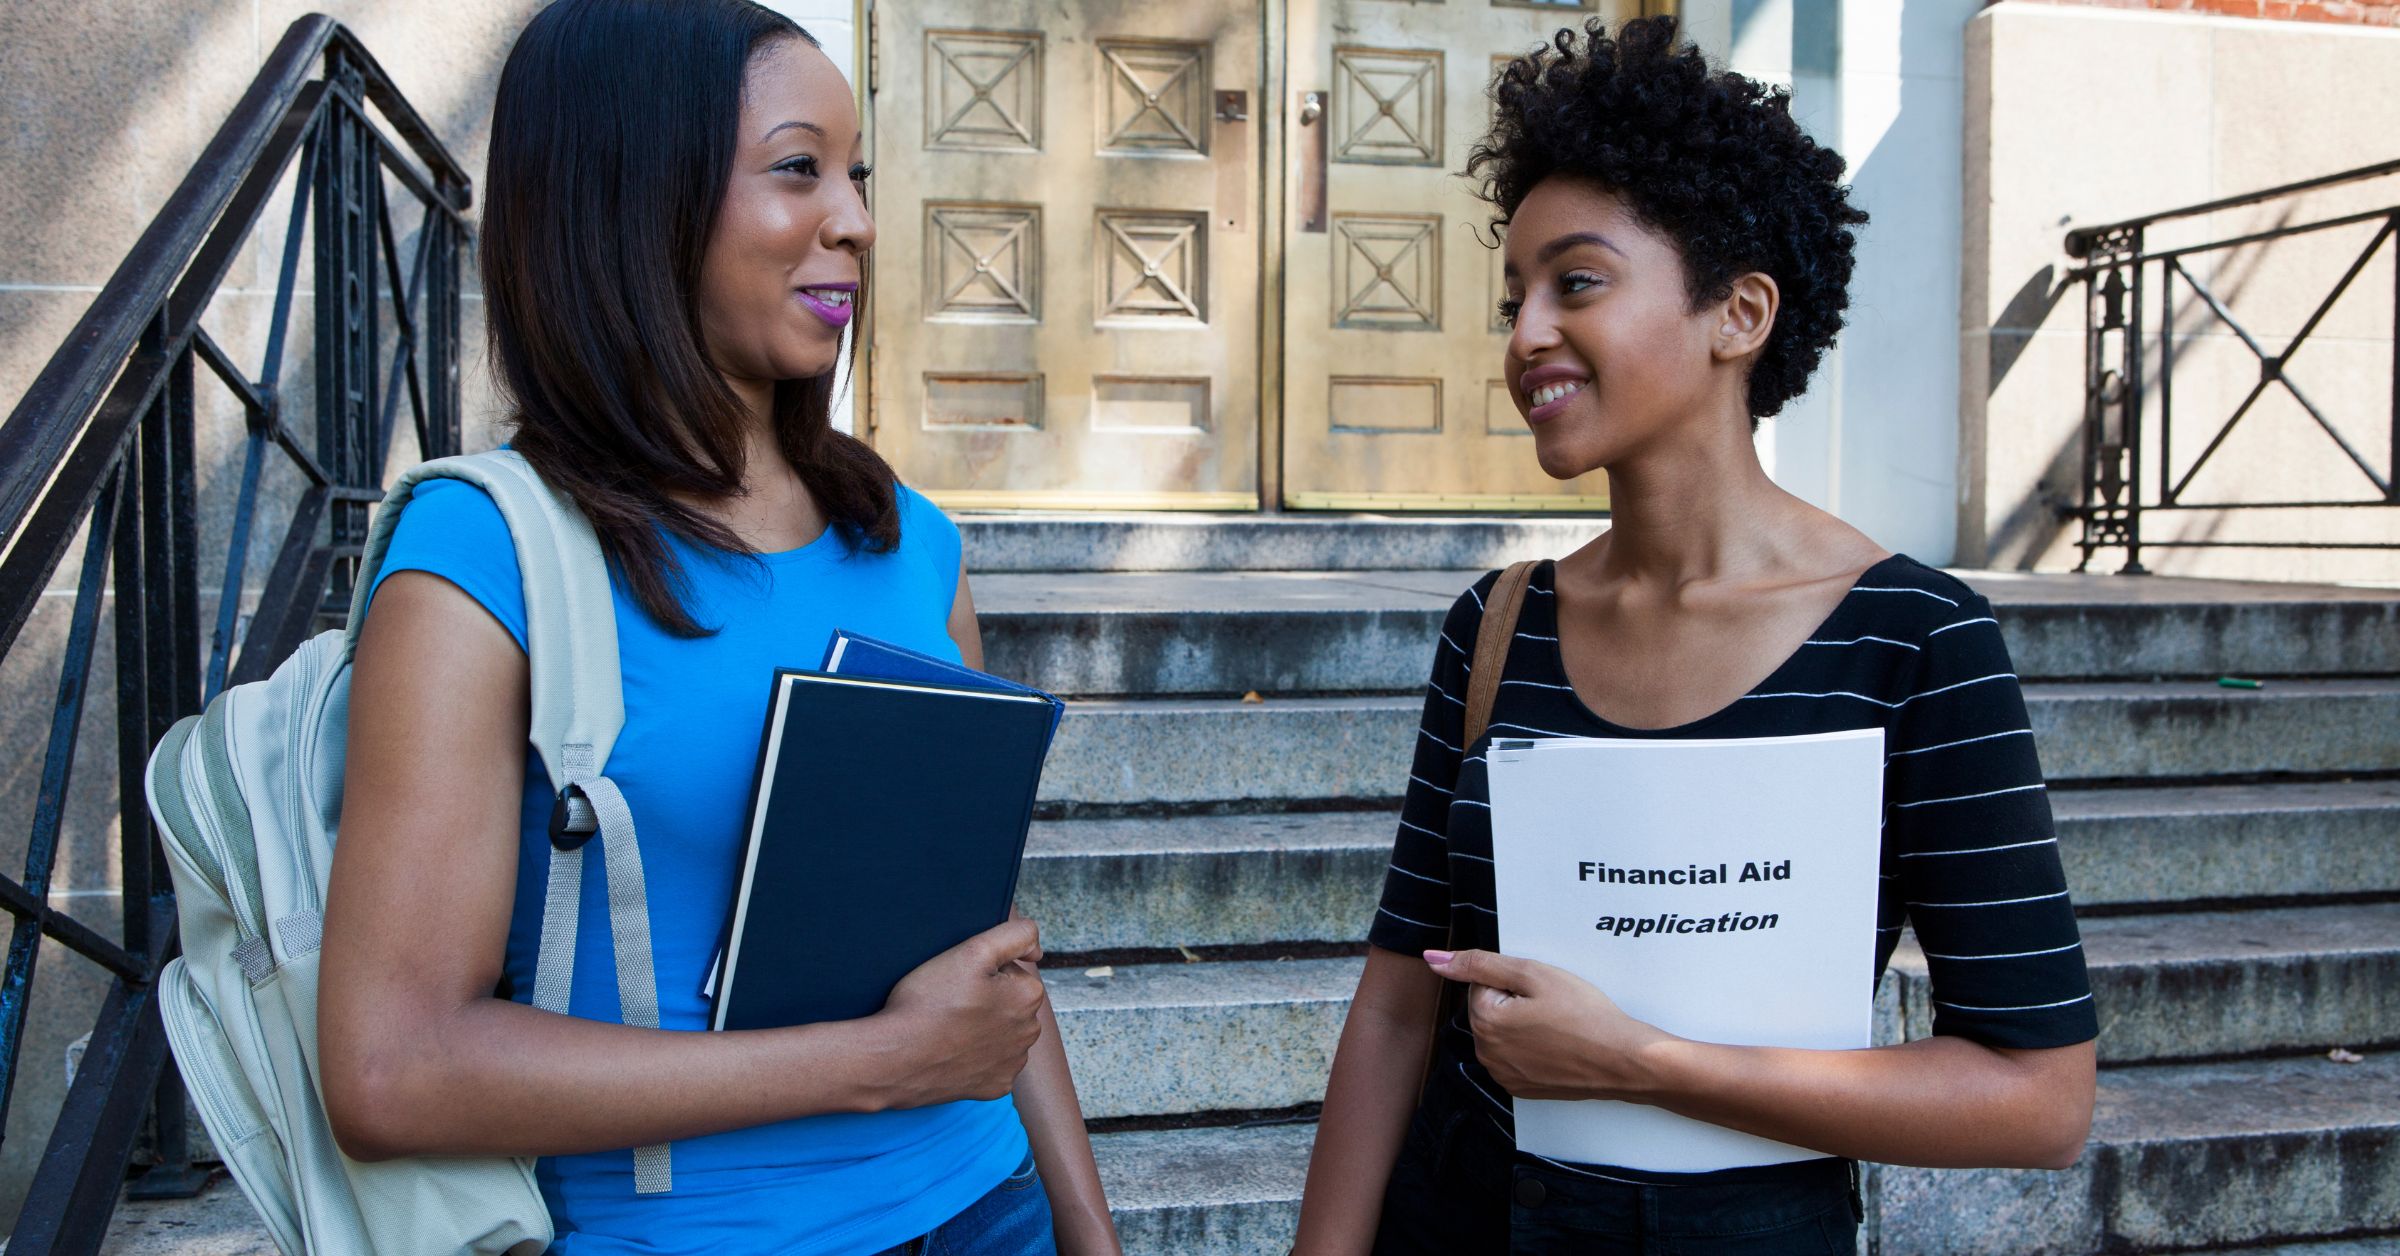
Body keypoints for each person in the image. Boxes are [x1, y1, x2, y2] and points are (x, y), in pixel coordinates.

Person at [314, 3, 1119, 1253]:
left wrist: (1088, 1225)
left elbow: (976, 952)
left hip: (988, 1205)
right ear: (637, 201)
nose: (854, 218)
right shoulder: (485, 558)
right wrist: (873, 1062)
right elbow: (394, 1067)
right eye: (800, 168)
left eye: (858, 175)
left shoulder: (910, 539)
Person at [1293, 17, 2099, 1255]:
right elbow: (1402, 1005)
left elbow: (2038, 1095)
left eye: (1578, 282)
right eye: (1515, 298)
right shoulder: (1498, 626)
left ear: (1740, 313)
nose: (1524, 336)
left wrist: (1642, 1060)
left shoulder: (1918, 641)